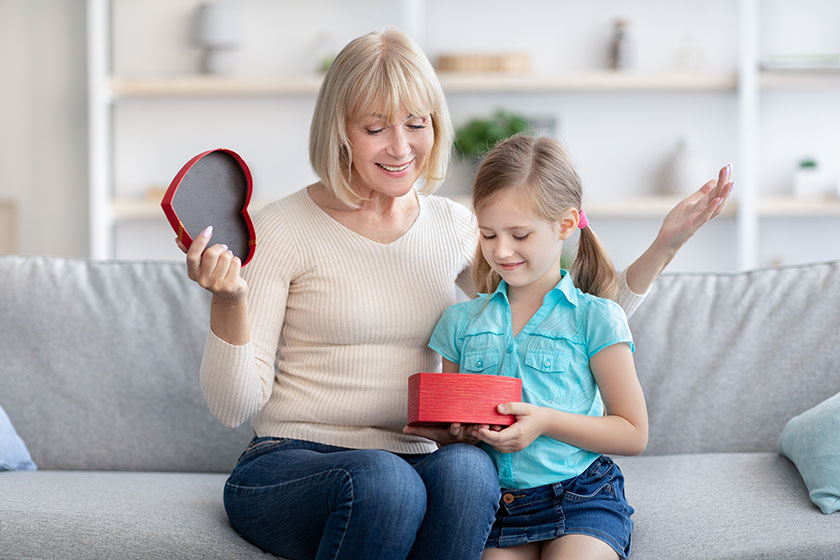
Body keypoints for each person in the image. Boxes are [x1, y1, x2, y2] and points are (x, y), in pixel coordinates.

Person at [178, 28, 733, 560]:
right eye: (375, 128)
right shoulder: (283, 228)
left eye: (415, 124)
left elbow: (569, 319)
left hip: (420, 460)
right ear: (340, 131)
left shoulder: (458, 227)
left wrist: (665, 245)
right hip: (295, 463)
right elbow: (234, 406)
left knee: (470, 471)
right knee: (387, 481)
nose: (401, 148)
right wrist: (229, 301)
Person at [425, 134, 647, 559]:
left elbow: (634, 433)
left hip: (582, 497)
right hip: (498, 508)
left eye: (519, 234)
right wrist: (453, 434)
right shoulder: (460, 322)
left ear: (564, 225)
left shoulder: (595, 317)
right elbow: (453, 437)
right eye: (488, 234)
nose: (501, 250)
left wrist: (544, 421)